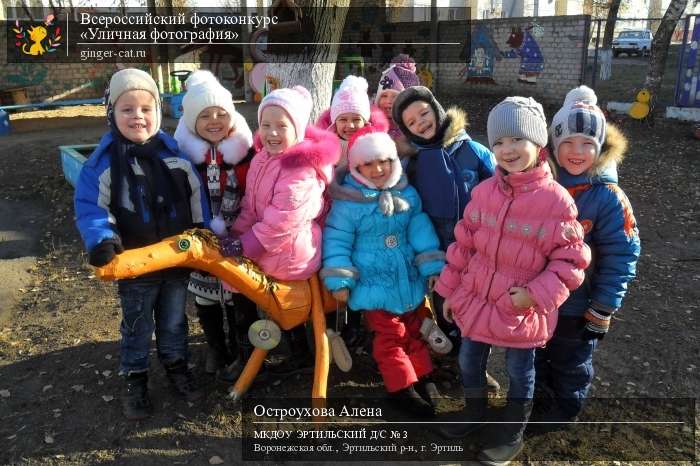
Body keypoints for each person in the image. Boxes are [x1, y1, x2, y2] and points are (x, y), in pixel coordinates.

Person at [435, 96, 591, 465]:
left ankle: (512, 432)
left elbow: (571, 261)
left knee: (520, 372)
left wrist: (534, 295)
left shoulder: (557, 201)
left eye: (516, 140)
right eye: (499, 142)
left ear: (537, 144)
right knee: (470, 361)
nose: (507, 150)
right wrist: (449, 290)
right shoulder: (485, 192)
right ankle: (474, 413)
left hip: (521, 308)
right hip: (476, 298)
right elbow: (464, 244)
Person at [74, 68, 210, 420]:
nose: (138, 116)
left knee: (174, 321)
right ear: (111, 114)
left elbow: (197, 198)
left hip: (176, 262)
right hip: (134, 265)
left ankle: (177, 367)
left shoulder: (174, 156)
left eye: (146, 109)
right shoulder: (103, 164)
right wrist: (103, 239)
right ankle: (135, 378)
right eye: (127, 109)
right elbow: (92, 207)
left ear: (158, 113)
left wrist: (203, 233)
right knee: (137, 325)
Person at [533, 86, 641, 429]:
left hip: (578, 304)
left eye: (587, 144)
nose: (576, 152)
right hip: (535, 297)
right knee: (535, 354)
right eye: (567, 142)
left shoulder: (608, 197)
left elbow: (622, 252)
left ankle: (565, 409)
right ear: (554, 144)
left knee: (571, 358)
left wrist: (604, 304)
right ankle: (538, 400)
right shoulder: (540, 183)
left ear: (600, 148)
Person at [321, 126, 445, 417]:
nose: (377, 169)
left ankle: (421, 376)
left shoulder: (407, 193)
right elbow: (337, 239)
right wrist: (340, 278)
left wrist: (431, 265)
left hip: (407, 279)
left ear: (393, 161)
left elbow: (420, 230)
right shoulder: (349, 202)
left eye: (384, 162)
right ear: (355, 166)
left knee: (414, 328)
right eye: (368, 164)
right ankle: (400, 389)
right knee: (390, 335)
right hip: (374, 283)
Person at [220, 85, 341, 372]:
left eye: (281, 126)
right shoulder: (263, 159)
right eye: (265, 125)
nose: (272, 133)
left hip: (291, 249)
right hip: (266, 242)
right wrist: (237, 234)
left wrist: (246, 245)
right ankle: (252, 348)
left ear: (297, 129)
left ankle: (298, 352)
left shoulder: (300, 170)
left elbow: (283, 220)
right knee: (235, 280)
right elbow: (251, 205)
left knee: (282, 301)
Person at [392, 86, 497, 385]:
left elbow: (501, 185)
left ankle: (477, 366)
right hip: (439, 250)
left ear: (436, 110)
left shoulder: (471, 150)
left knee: (478, 308)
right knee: (446, 307)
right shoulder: (412, 163)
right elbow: (406, 206)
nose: (421, 122)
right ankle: (454, 360)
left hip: (479, 247)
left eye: (423, 113)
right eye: (411, 122)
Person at [174, 70, 259, 383]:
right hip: (201, 235)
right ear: (192, 121)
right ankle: (216, 347)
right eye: (204, 115)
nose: (213, 121)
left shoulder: (245, 152)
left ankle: (244, 351)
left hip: (239, 234)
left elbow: (255, 190)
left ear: (232, 116)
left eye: (221, 114)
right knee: (206, 296)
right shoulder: (183, 155)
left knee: (241, 294)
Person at [316, 75, 389, 170]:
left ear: (365, 122)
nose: (350, 125)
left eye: (356, 119)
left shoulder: (374, 142)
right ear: (334, 123)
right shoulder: (324, 145)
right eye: (343, 120)